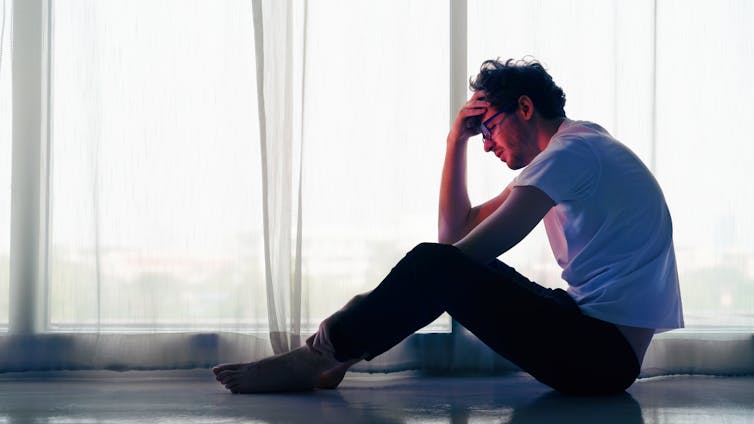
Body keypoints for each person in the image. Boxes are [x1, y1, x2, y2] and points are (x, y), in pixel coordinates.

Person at [213, 57, 684, 395]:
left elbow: (455, 256)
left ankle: (319, 353)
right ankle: (336, 352)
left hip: (600, 356)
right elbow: (455, 235)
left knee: (433, 266)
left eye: (487, 129)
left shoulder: (570, 154)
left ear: (524, 108)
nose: (485, 145)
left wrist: (375, 302)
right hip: (593, 339)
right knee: (435, 266)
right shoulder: (577, 147)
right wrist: (453, 142)